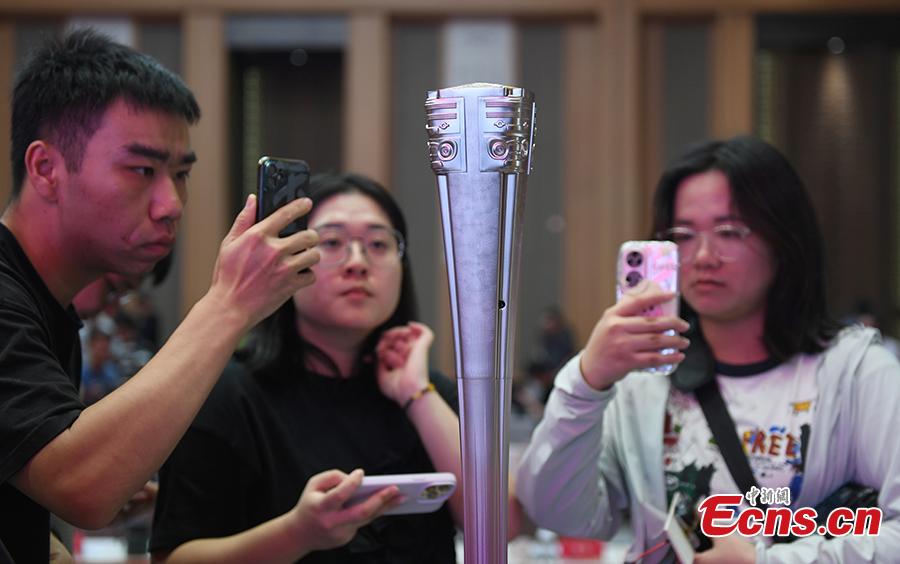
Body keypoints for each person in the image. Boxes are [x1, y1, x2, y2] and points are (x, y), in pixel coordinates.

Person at [0, 28, 359, 563]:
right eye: (142, 170)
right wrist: (229, 305)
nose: (171, 204)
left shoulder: (47, 308)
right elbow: (82, 490)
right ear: (46, 169)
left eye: (181, 173)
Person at [515, 136, 900, 562]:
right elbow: (558, 512)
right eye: (683, 235)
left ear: (784, 239)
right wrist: (587, 382)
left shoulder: (856, 373)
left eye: (729, 231)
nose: (702, 256)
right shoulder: (645, 378)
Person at [150, 173, 463, 563]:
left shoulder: (427, 393)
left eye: (378, 244)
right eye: (331, 242)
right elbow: (171, 558)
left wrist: (417, 395)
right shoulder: (224, 395)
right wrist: (297, 534)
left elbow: (503, 520)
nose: (357, 263)